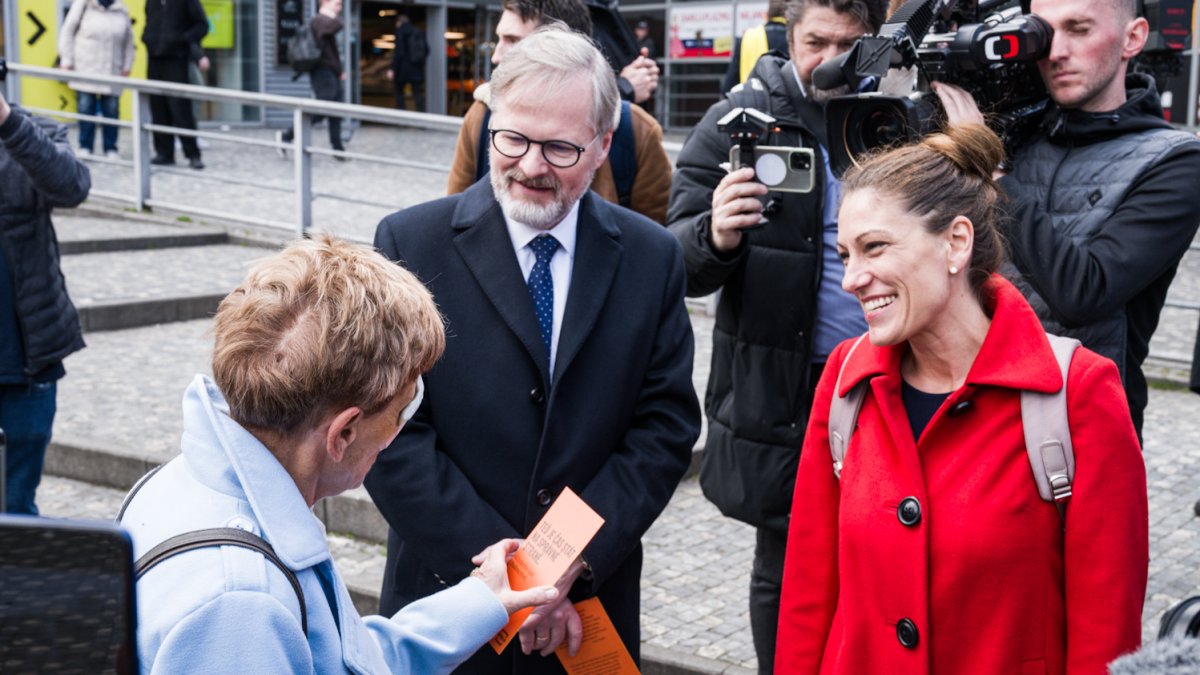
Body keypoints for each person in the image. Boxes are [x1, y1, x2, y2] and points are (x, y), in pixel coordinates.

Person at [368, 27, 700, 674]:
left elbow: (663, 428)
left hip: (583, 608)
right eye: (512, 138)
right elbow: (391, 432)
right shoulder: (410, 243)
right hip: (451, 604)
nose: (530, 166)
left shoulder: (652, 258)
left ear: (604, 143)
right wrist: (504, 573)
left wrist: (558, 563)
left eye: (560, 147)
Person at [775, 123, 1149, 673]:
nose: (851, 278)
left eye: (874, 247)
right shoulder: (845, 378)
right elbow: (809, 593)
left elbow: (1106, 633)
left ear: (955, 242)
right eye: (845, 253)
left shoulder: (1078, 393)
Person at [120, 234, 560, 672]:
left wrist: (481, 599)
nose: (400, 430)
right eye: (405, 407)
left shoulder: (183, 485)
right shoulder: (241, 604)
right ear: (343, 432)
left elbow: (341, 661)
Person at [665, 1, 884, 671]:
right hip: (782, 385)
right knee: (785, 558)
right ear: (786, 34)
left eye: (852, 45)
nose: (833, 60)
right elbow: (671, 258)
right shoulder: (738, 117)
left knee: (882, 554)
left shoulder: (896, 117)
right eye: (817, 41)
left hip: (884, 378)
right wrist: (718, 232)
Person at [934, 0, 1200, 440]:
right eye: (1044, 32)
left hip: (1084, 429)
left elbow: (1084, 291)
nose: (1055, 51)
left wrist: (993, 170)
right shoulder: (1016, 133)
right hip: (974, 413)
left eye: (1079, 29)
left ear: (1132, 38)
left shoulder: (1175, 162)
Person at [448, 0, 673, 225]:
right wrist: (624, 87)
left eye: (560, 147)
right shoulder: (482, 116)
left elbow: (654, 243)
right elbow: (456, 223)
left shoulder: (635, 130)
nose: (496, 56)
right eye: (513, 138)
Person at [0, 89, 90, 514]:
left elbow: (72, 186)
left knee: (16, 507)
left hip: (25, 362)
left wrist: (7, 122)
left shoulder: (30, 132)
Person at [57, 0, 135, 158]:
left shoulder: (121, 9)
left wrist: (127, 65)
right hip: (86, 67)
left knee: (111, 109)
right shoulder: (83, 5)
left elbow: (129, 42)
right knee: (86, 107)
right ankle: (85, 146)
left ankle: (111, 147)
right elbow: (67, 31)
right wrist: (66, 59)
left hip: (112, 69)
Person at [142, 0, 207, 170]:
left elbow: (202, 25)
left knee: (180, 109)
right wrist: (147, 37)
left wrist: (182, 39)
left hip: (176, 59)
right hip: (155, 58)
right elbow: (150, 20)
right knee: (158, 108)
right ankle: (164, 153)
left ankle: (193, 154)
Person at [279, 0, 347, 157]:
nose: (340, 7)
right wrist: (331, 15)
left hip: (331, 72)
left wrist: (338, 71)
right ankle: (288, 135)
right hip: (322, 72)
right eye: (337, 4)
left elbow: (332, 51)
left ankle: (338, 148)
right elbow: (335, 27)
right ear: (325, 3)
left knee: (336, 109)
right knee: (322, 108)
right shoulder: (320, 20)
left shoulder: (323, 21)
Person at [584, 0, 659, 104]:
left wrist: (644, 74)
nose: (641, 31)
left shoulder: (608, 10)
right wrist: (625, 88)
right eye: (640, 29)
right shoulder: (570, 11)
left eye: (643, 30)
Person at [721, 0, 789, 95]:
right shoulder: (797, 39)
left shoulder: (747, 38)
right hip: (788, 105)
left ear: (766, 15)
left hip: (751, 103)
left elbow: (729, 85)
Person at [388, 15, 428, 112]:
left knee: (399, 93)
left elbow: (398, 53)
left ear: (399, 22)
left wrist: (392, 68)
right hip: (416, 69)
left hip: (402, 69)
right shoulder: (418, 32)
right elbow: (426, 50)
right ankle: (422, 117)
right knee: (417, 93)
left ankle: (402, 117)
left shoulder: (400, 33)